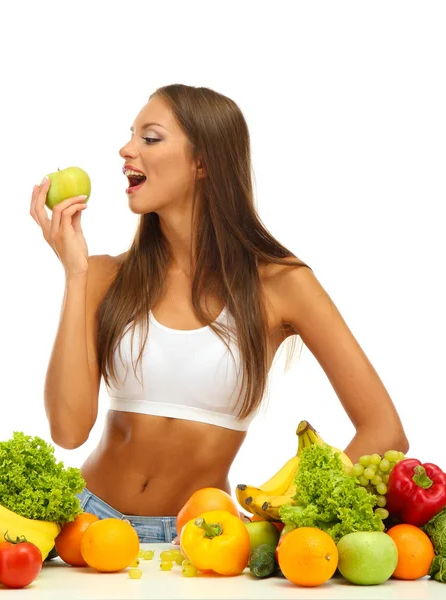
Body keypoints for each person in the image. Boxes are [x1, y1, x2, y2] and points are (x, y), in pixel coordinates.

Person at [29, 84, 409, 545]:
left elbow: (384, 431)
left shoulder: (282, 284)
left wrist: (292, 516)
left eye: (150, 138)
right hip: (84, 525)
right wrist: (74, 274)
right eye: (131, 135)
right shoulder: (104, 275)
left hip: (201, 539)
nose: (126, 149)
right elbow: (68, 432)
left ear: (203, 162)